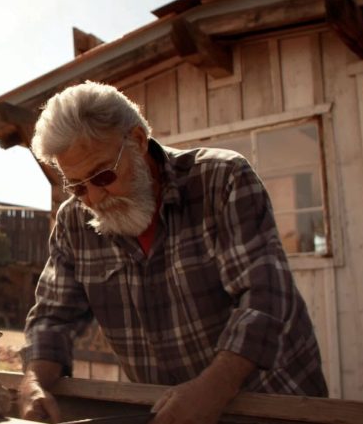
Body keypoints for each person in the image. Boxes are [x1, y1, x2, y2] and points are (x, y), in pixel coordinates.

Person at [17, 81, 328, 424]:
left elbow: (264, 299)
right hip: (169, 411)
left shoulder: (220, 180)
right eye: (77, 186)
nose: (94, 198)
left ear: (136, 141)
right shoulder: (74, 222)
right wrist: (34, 383)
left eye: (103, 176)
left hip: (272, 402)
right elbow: (52, 318)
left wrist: (213, 389)